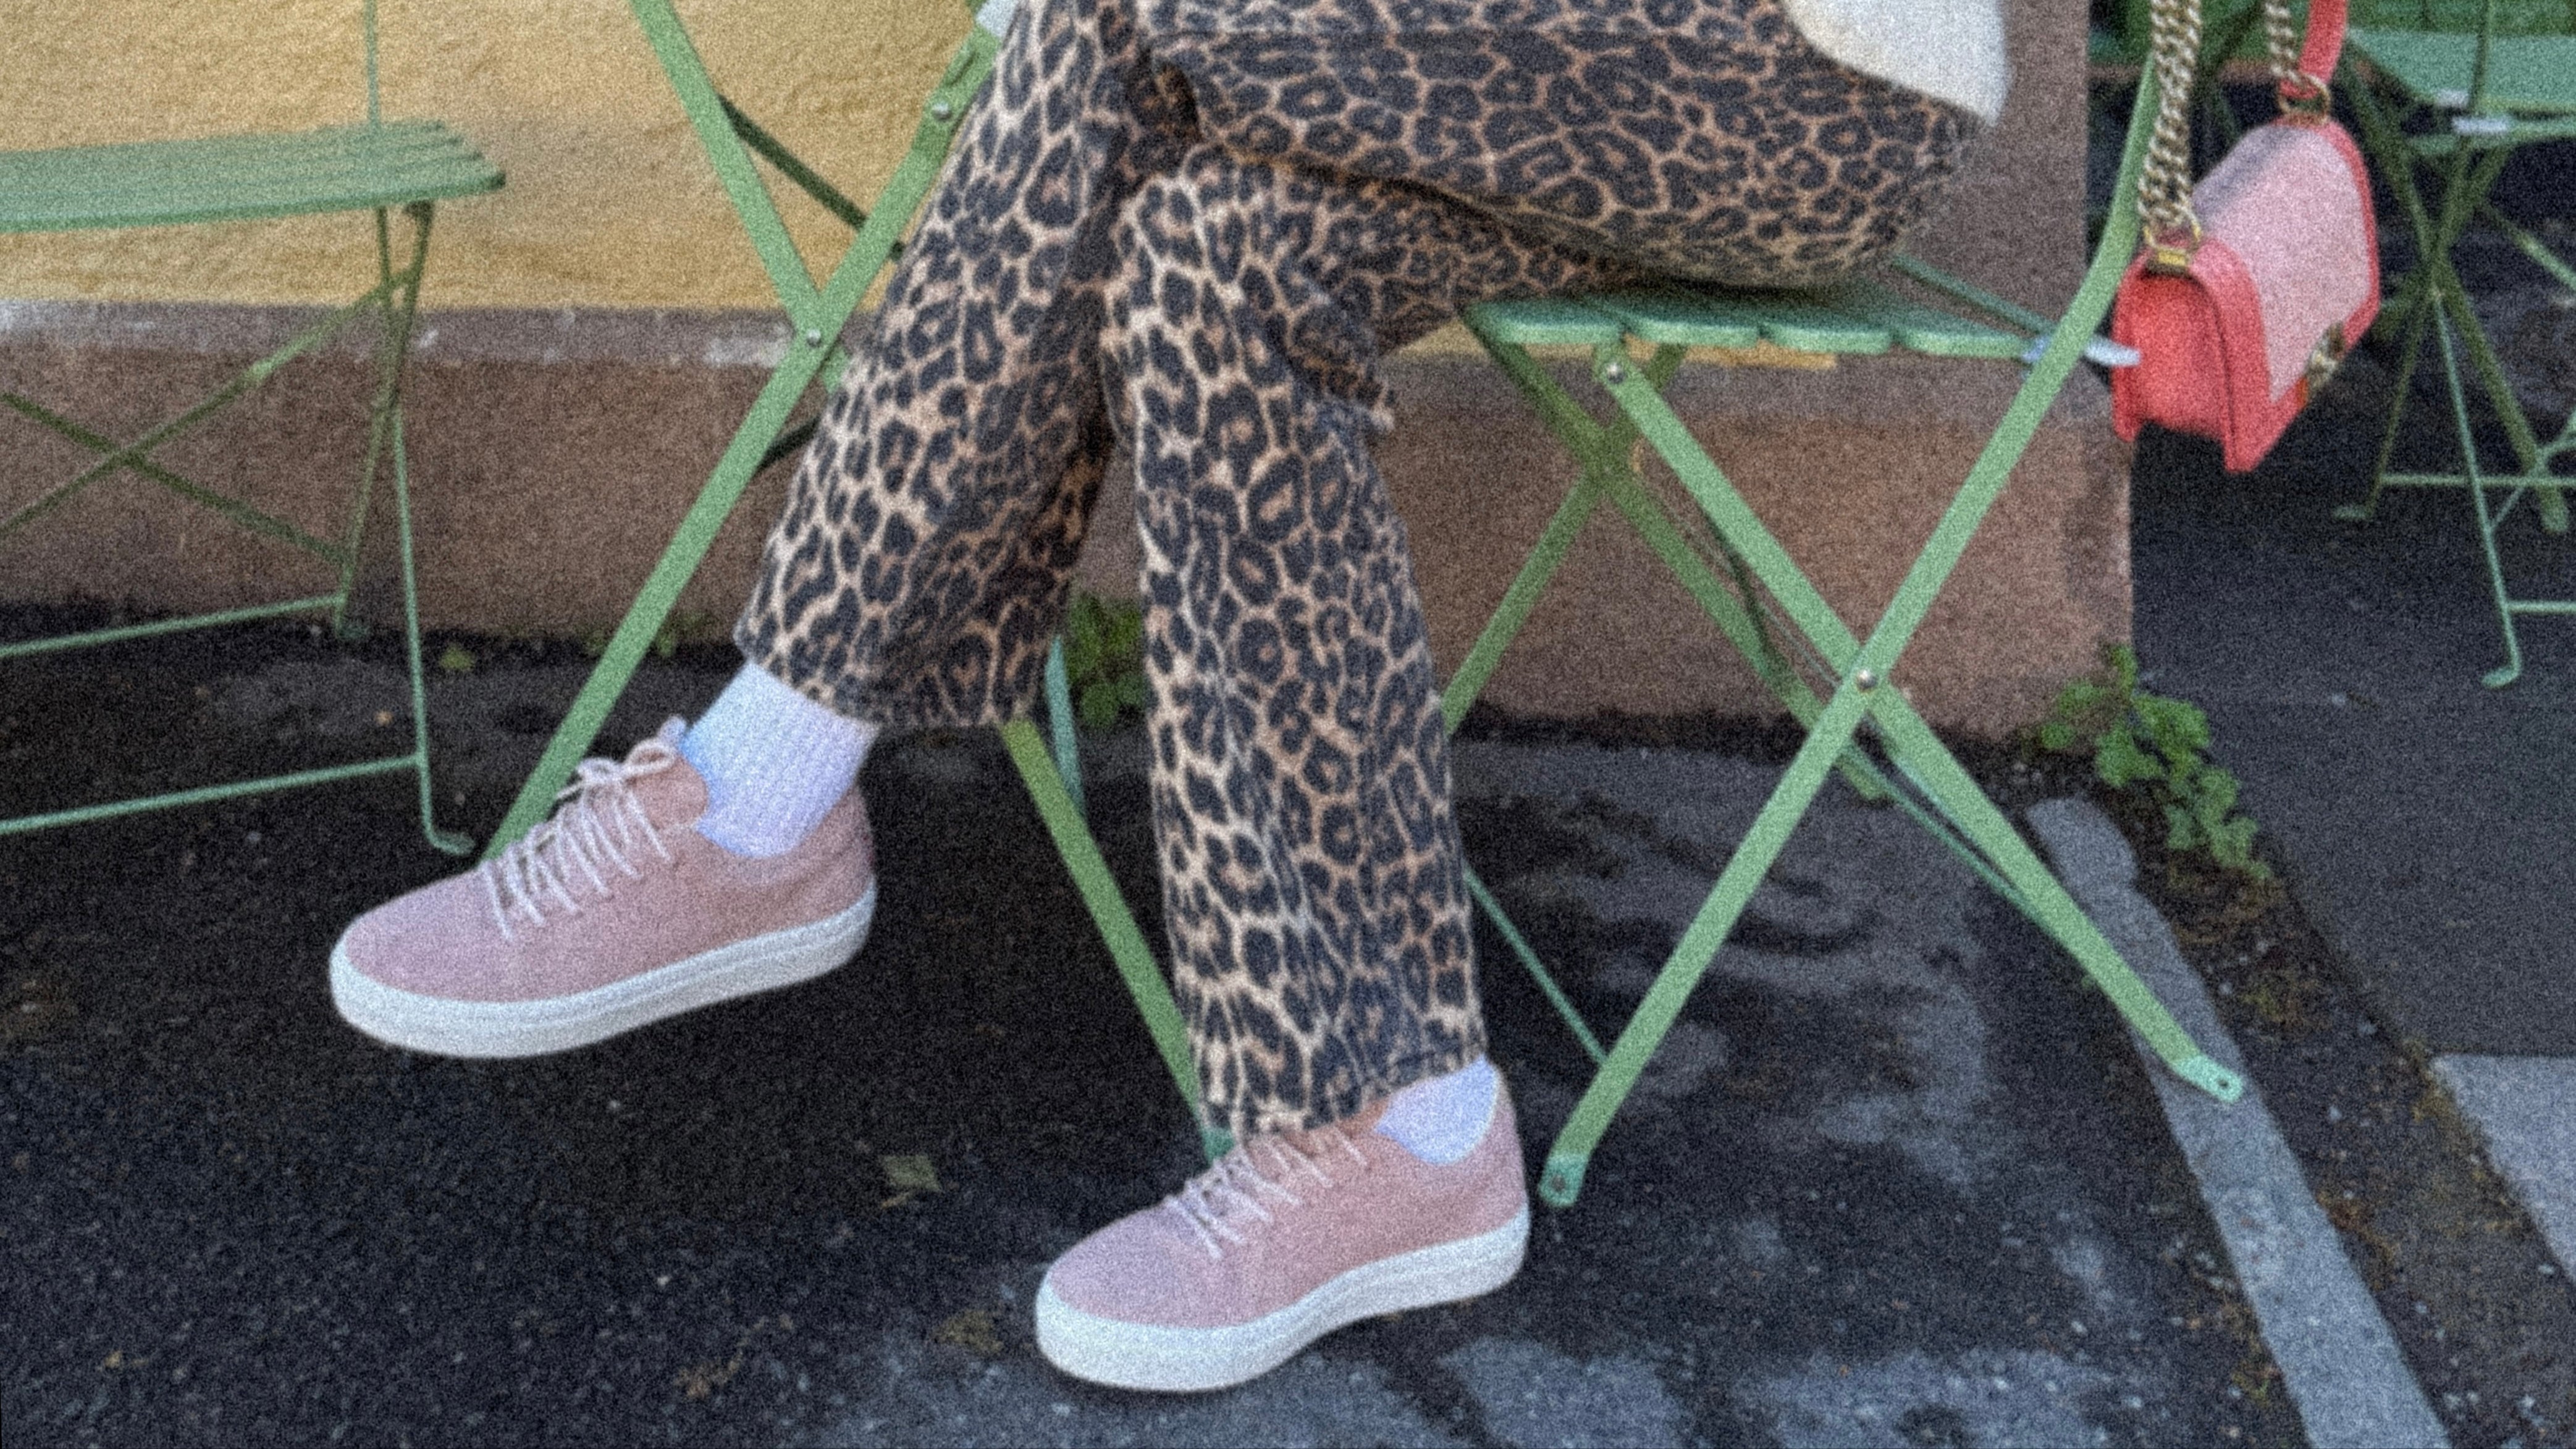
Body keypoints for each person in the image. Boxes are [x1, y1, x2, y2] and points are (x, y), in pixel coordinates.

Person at [327, 0, 2006, 1393]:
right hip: (1545, 69)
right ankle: (1402, 1120)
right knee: (1212, 250)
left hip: (1806, 81)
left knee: (1102, 11)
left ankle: (767, 788)